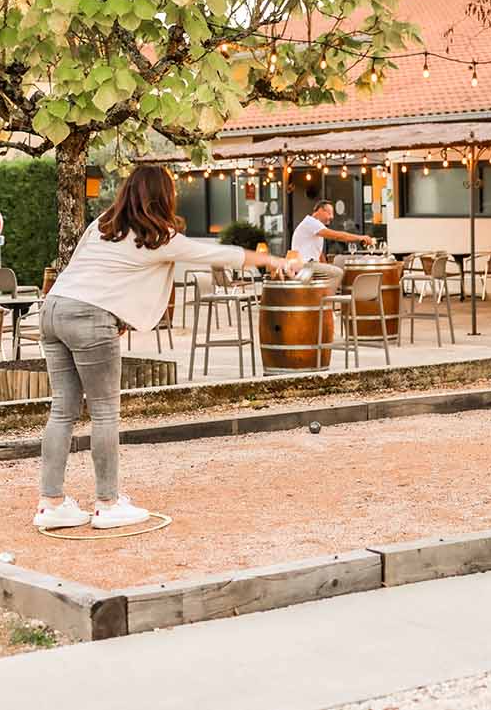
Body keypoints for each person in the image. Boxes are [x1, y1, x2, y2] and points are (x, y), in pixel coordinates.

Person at [34, 166, 298, 530]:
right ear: (164, 196)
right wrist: (273, 261)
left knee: (62, 411)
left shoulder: (100, 226)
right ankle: (108, 504)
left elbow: (90, 270)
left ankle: (51, 504)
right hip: (89, 318)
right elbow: (218, 255)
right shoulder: (159, 236)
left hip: (53, 308)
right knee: (105, 413)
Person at [289, 198, 374, 290]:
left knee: (335, 271)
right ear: (320, 211)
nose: (332, 217)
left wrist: (326, 265)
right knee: (338, 273)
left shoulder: (314, 226)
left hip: (307, 264)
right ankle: (329, 301)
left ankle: (325, 298)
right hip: (306, 265)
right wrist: (360, 237)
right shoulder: (311, 223)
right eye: (329, 213)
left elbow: (319, 253)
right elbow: (338, 236)